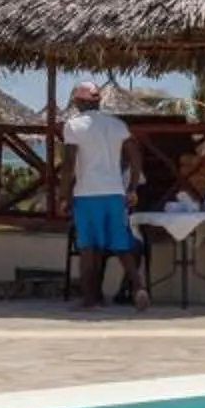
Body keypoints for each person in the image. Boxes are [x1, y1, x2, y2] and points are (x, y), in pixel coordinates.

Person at [60, 80, 147, 308]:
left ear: (78, 102)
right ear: (98, 101)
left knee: (89, 247)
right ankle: (138, 286)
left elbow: (69, 163)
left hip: (87, 194)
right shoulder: (117, 125)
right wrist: (132, 187)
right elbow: (136, 157)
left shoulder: (73, 126)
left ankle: (90, 299)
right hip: (115, 193)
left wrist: (63, 195)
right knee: (120, 242)